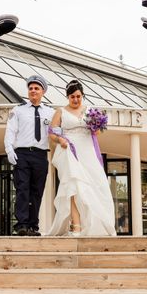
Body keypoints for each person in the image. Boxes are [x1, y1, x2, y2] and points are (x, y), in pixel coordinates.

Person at [48, 80, 116, 236]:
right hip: (70, 150)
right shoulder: (60, 112)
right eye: (72, 97)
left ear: (82, 95)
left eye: (78, 96)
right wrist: (60, 140)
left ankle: (99, 224)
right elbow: (52, 133)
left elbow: (96, 134)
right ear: (68, 97)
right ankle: (76, 224)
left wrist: (97, 125)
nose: (76, 100)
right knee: (74, 186)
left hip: (88, 151)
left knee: (98, 185)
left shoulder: (90, 110)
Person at [4, 75, 55, 235]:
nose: (33, 91)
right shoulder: (18, 110)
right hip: (23, 154)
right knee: (22, 189)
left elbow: (58, 132)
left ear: (43, 92)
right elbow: (10, 131)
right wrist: (9, 149)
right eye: (30, 88)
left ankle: (33, 225)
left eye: (36, 88)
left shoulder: (51, 112)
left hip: (41, 156)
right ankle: (22, 225)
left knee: (36, 191)